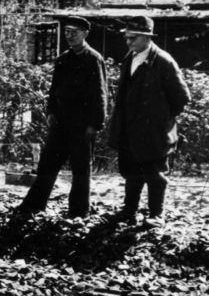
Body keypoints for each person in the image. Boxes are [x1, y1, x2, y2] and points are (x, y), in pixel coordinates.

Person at [17, 16, 108, 219]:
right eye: (67, 31)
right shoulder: (63, 59)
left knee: (80, 169)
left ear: (85, 33)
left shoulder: (93, 59)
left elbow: (100, 94)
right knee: (48, 164)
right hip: (60, 123)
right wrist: (50, 112)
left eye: (75, 32)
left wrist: (95, 124)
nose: (70, 36)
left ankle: (78, 211)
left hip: (82, 125)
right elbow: (54, 89)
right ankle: (34, 205)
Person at [106, 15, 191, 227]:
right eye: (127, 38)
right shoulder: (130, 58)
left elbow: (181, 98)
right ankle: (129, 211)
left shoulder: (163, 61)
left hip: (155, 132)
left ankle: (156, 215)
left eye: (133, 38)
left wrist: (161, 119)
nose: (129, 42)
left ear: (146, 37)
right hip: (129, 129)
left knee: (156, 175)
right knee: (131, 172)